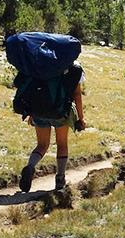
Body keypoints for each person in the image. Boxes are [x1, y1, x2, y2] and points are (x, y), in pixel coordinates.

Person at [19, 62, 86, 193]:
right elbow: (77, 95)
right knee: (62, 144)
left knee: (42, 145)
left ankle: (30, 166)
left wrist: (31, 112)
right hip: (61, 112)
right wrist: (80, 118)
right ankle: (60, 179)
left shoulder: (41, 63)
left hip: (39, 110)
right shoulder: (73, 66)